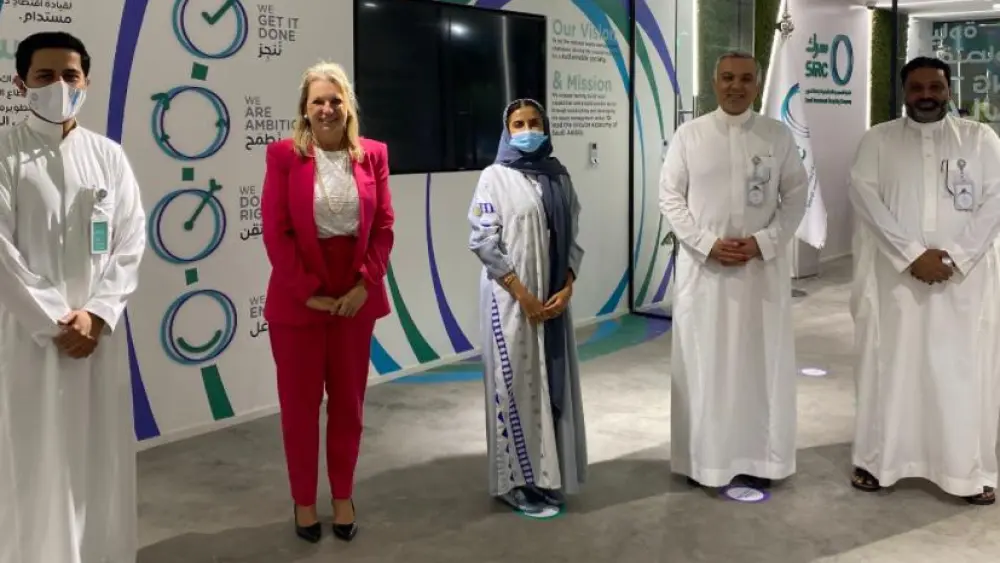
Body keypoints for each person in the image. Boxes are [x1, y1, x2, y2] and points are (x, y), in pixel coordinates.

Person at [0, 32, 147, 563]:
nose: (59, 86)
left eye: (70, 75)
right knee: (33, 462)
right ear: (21, 84)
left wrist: (99, 316)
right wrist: (57, 322)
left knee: (100, 462)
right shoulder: (5, 155)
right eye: (45, 76)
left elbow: (131, 241)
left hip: (98, 343)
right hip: (31, 344)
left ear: (86, 82)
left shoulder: (108, 156)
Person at [848, 56, 1000, 505]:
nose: (927, 95)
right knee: (889, 367)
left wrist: (954, 256)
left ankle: (968, 469)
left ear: (949, 89)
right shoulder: (877, 140)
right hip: (894, 280)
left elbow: (996, 199)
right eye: (917, 88)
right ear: (904, 93)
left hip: (964, 282)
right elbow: (864, 197)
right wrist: (913, 255)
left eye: (935, 86)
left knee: (963, 370)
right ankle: (879, 462)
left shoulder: (980, 139)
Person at [659, 51, 808, 490]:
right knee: (705, 366)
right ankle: (703, 461)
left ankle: (763, 459)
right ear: (714, 80)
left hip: (761, 273)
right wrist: (708, 244)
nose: (735, 86)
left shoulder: (776, 136)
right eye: (727, 77)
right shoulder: (690, 135)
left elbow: (796, 196)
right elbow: (670, 198)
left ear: (757, 84)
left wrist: (763, 242)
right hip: (706, 275)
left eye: (745, 78)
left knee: (761, 367)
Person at [260, 61, 394, 543]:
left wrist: (365, 284)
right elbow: (275, 232)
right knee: (299, 408)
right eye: (318, 100)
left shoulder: (373, 155)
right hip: (300, 297)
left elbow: (383, 227)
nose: (327, 108)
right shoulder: (282, 156)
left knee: (348, 406)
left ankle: (342, 495)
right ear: (305, 108)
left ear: (348, 107)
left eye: (335, 100)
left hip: (356, 297)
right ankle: (303, 500)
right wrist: (307, 293)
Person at [468, 98, 588, 516]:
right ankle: (513, 483)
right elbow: (483, 240)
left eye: (534, 122)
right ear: (507, 130)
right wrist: (523, 295)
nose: (527, 129)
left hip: (553, 303)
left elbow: (573, 237)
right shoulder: (493, 178)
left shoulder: (560, 178)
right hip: (511, 305)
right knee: (514, 388)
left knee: (548, 386)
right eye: (518, 124)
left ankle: (545, 477)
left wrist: (568, 285)